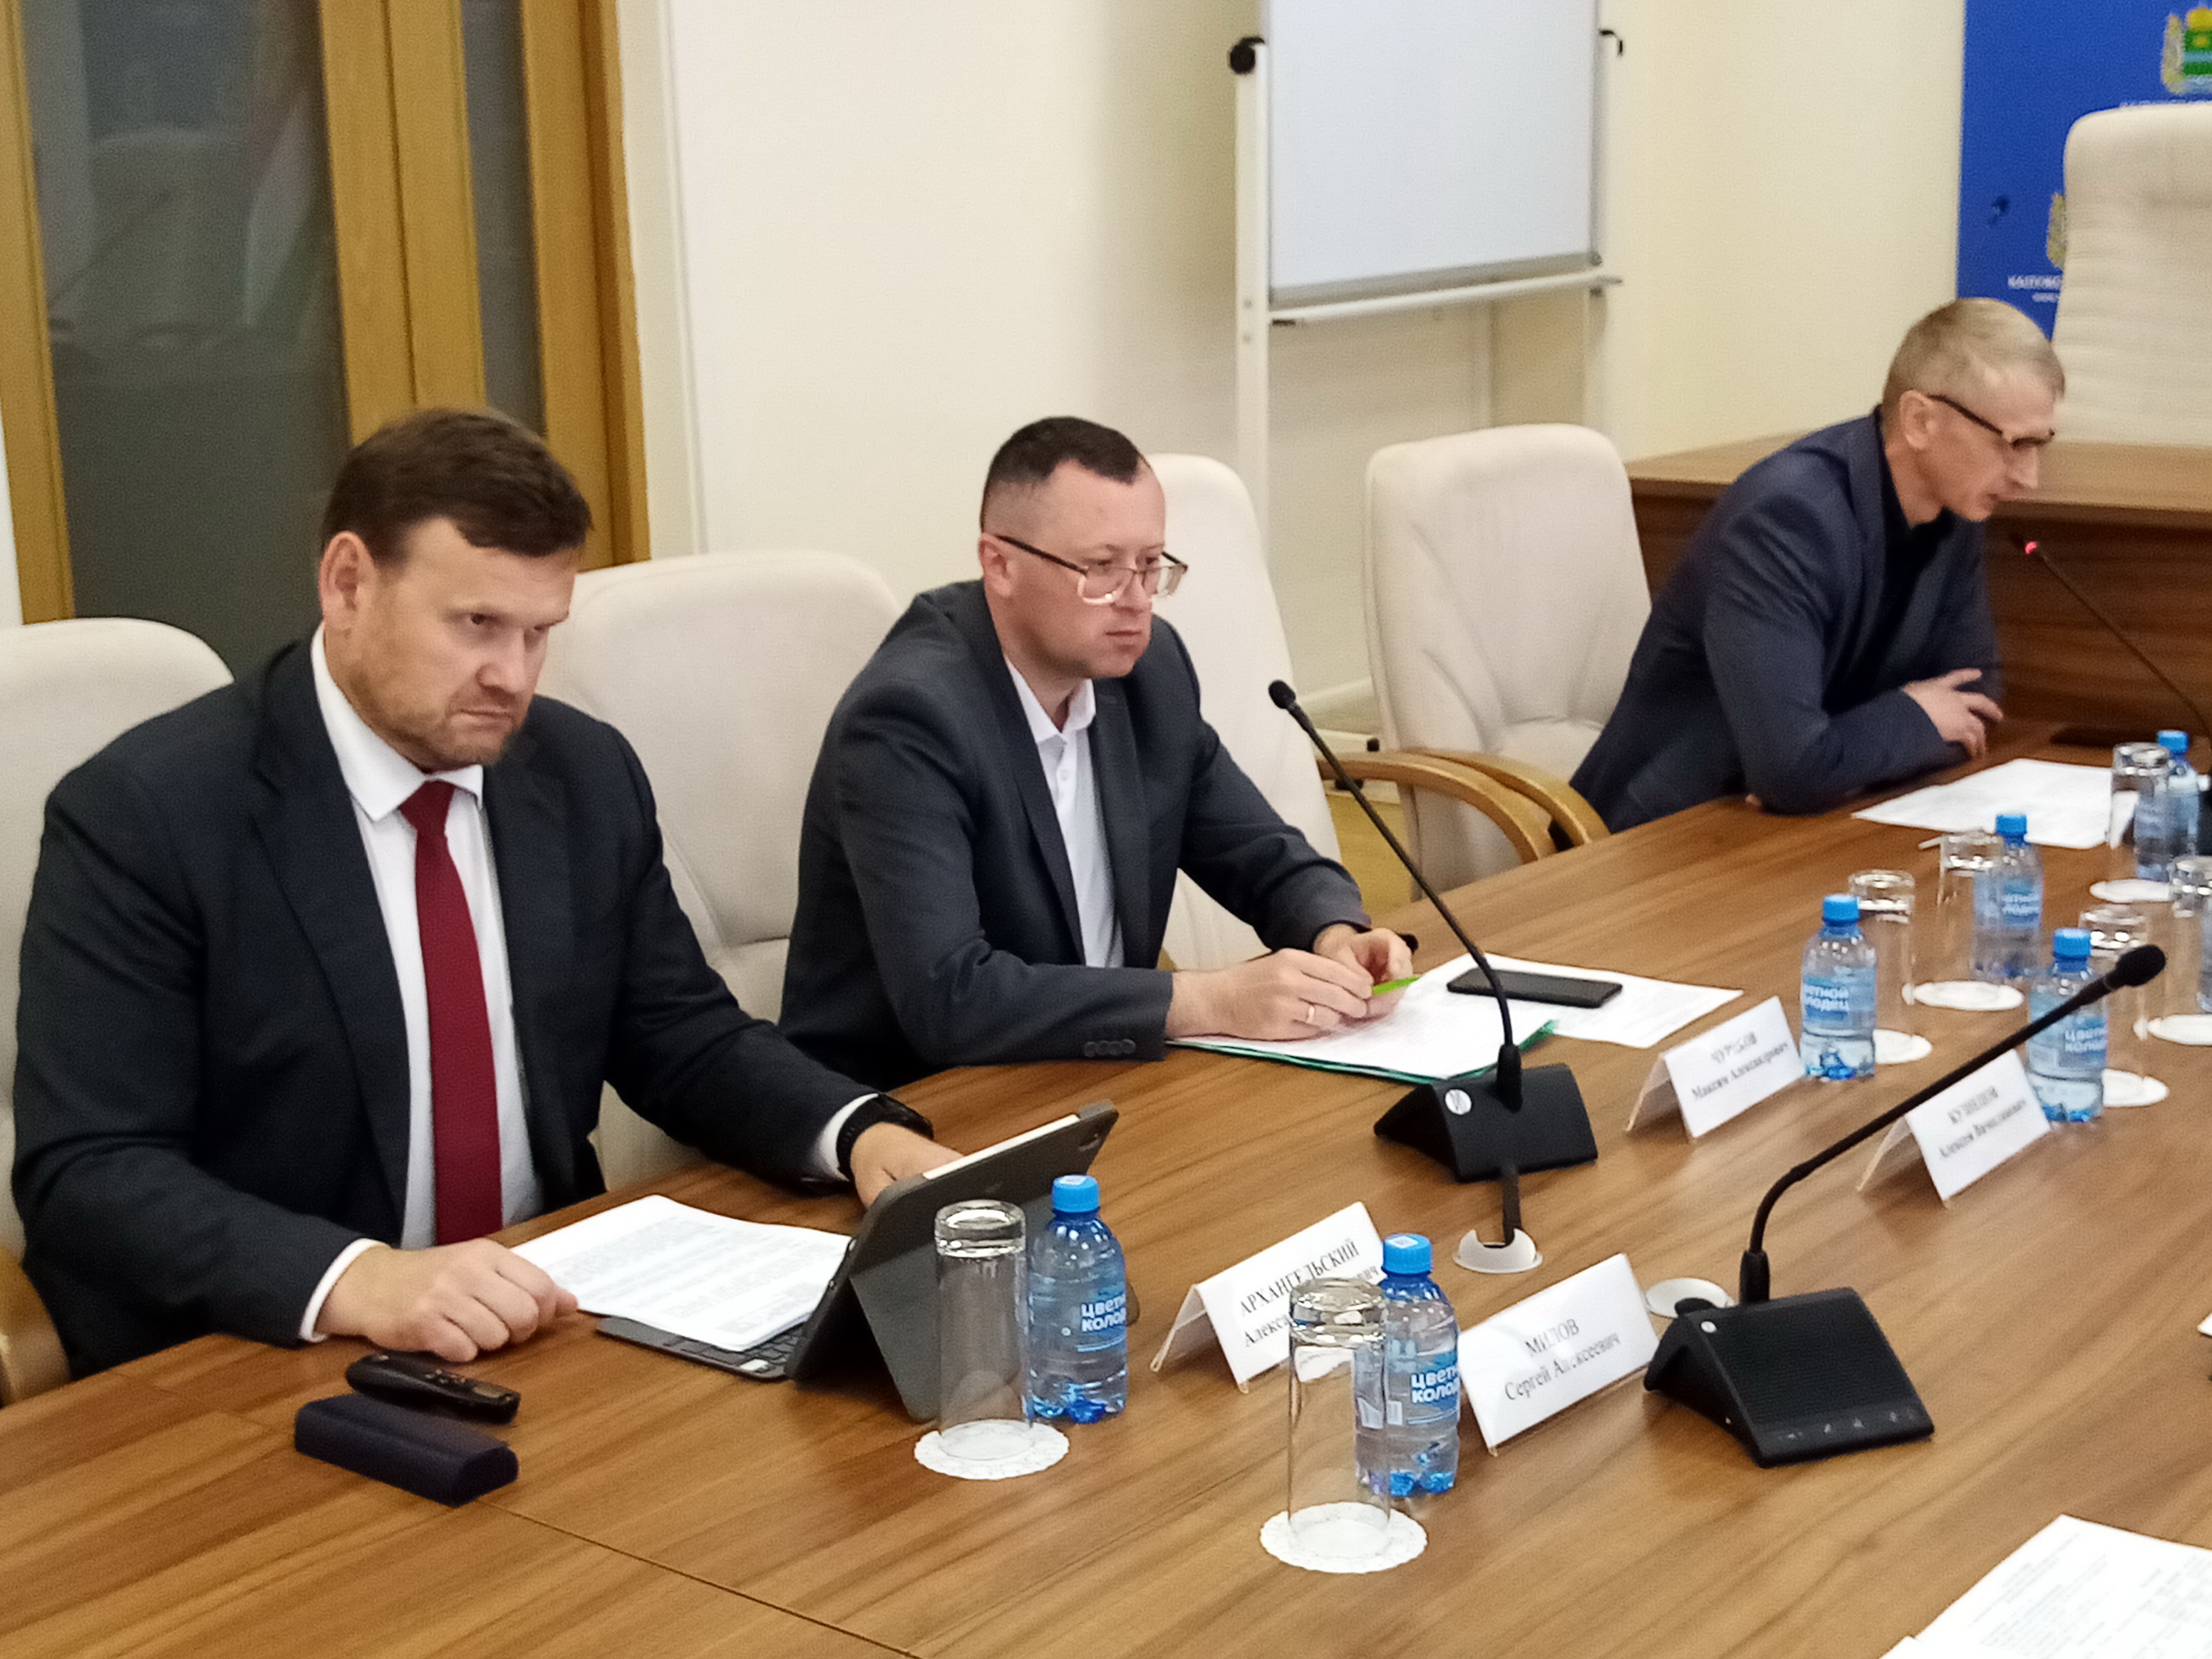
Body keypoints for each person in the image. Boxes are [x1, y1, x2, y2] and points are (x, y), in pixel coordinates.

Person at [13, 408, 951, 1377]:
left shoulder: (580, 774)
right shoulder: (150, 814)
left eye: (539, 633)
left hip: (542, 1318)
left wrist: (856, 1132)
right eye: (476, 626)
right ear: (348, 583)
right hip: (271, 1352)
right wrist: (360, 1279)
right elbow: (90, 1170)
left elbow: (679, 1035)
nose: (513, 676)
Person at [780, 416, 1412, 1091]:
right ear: (999, 564)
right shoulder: (909, 719)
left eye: (1151, 565)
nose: (1136, 602)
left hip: (1091, 1072)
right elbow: (951, 998)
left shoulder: (1148, 672)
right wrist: (1209, 1000)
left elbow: (1256, 851)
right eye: (1102, 569)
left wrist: (1333, 931)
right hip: (922, 1099)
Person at [1572, 298, 2063, 830]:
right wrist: (1908, 720)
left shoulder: (1955, 508)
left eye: (2040, 445)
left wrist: (1843, 759)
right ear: (1921, 421)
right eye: (2014, 444)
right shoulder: (1786, 518)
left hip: (1798, 822)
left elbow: (1973, 702)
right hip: (1671, 831)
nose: (2029, 478)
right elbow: (1791, 770)